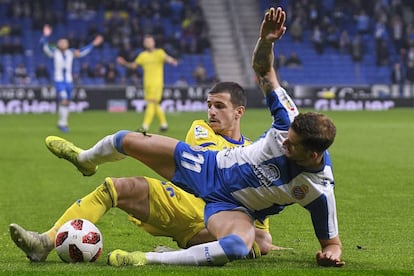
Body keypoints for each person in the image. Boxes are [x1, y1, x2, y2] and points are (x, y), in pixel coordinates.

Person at [33, 7, 344, 267]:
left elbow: (332, 243)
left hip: (233, 209)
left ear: (313, 156)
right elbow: (264, 70)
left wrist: (331, 253)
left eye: (291, 145)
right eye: (285, 136)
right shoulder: (287, 118)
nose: (284, 142)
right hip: (209, 166)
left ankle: (148, 259)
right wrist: (266, 41)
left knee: (237, 246)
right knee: (127, 139)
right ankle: (86, 159)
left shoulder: (318, 188)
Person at [9, 81, 281, 262]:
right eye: (209, 104)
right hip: (182, 204)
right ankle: (44, 242)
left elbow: (259, 221)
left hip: (220, 222)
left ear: (239, 112)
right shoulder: (202, 130)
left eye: (219, 106)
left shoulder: (252, 150)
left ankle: (169, 253)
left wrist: (258, 239)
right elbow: (215, 162)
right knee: (115, 188)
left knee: (262, 239)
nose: (211, 111)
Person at [40, 24, 104, 133]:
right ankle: (62, 124)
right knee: (64, 100)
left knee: (67, 102)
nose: (63, 43)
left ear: (68, 44)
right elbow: (43, 46)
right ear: (58, 44)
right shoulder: (53, 52)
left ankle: (62, 123)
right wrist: (45, 36)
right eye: (61, 42)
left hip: (69, 81)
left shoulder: (71, 52)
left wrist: (93, 44)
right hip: (59, 81)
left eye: (65, 42)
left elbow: (83, 51)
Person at [117, 34, 178, 132]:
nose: (148, 43)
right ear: (144, 44)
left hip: (157, 84)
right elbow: (134, 66)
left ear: (154, 42)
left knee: (151, 103)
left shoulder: (159, 52)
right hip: (147, 84)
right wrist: (124, 63)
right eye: (146, 41)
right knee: (155, 104)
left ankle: (145, 126)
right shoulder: (143, 55)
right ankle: (164, 125)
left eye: (150, 41)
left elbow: (167, 58)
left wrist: (172, 61)